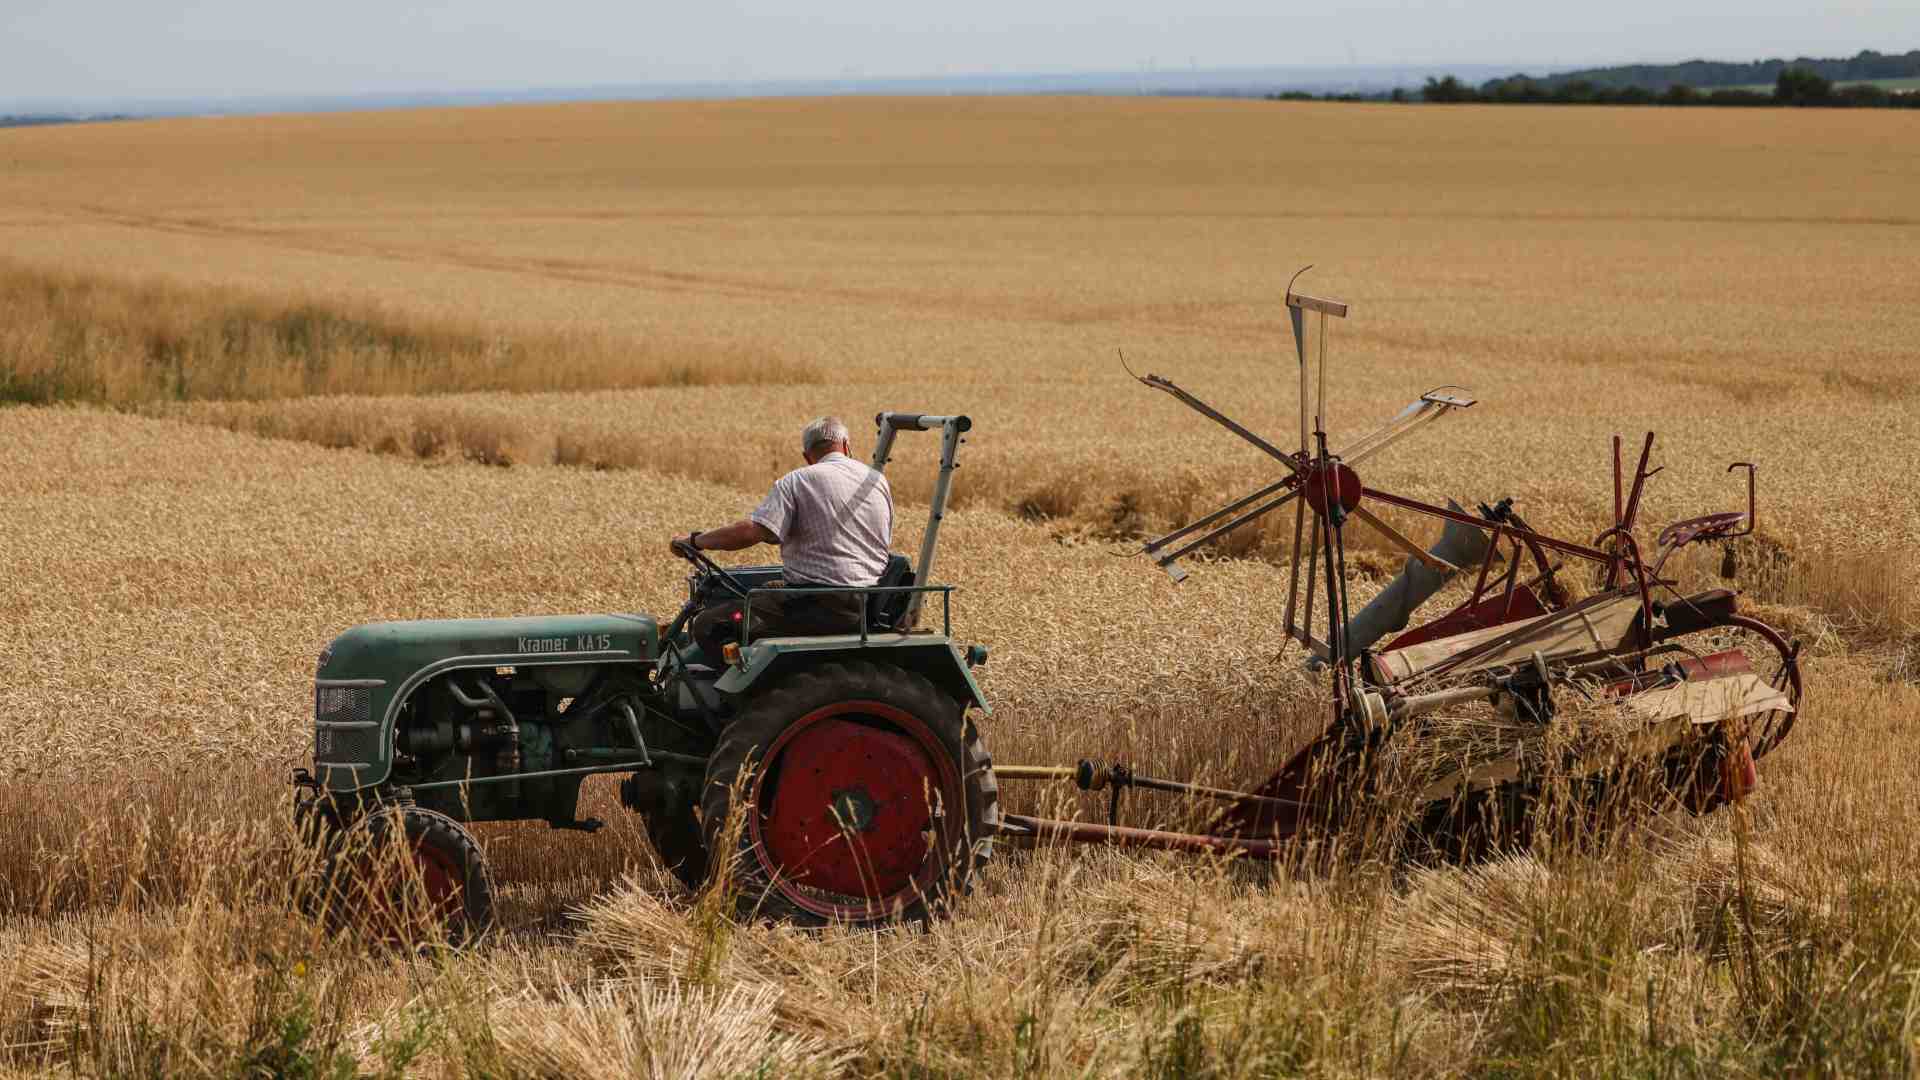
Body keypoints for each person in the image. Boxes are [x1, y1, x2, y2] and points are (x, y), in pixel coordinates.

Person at [674, 416, 894, 664]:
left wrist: (695, 541)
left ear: (807, 456)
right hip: (867, 600)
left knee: (709, 624)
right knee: (766, 591)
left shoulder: (798, 480)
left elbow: (751, 532)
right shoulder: (877, 481)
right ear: (846, 445)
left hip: (822, 605)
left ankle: (736, 695)